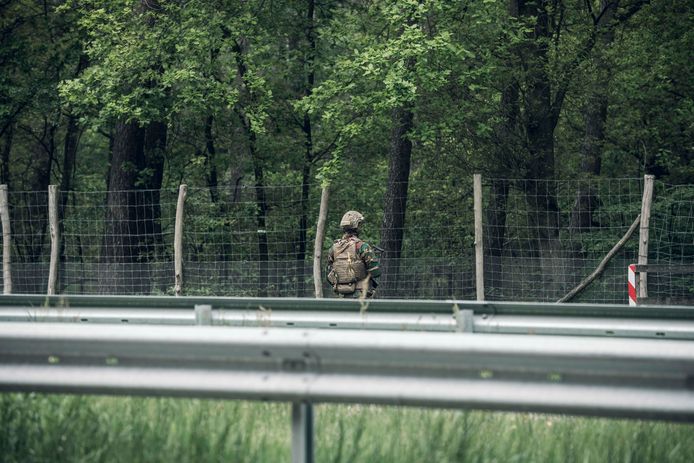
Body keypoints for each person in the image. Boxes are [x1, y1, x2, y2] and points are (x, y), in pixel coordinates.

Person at [326, 210, 381, 298]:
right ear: (357, 226)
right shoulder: (362, 246)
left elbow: (328, 275)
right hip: (361, 295)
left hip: (341, 295)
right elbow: (376, 272)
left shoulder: (334, 248)